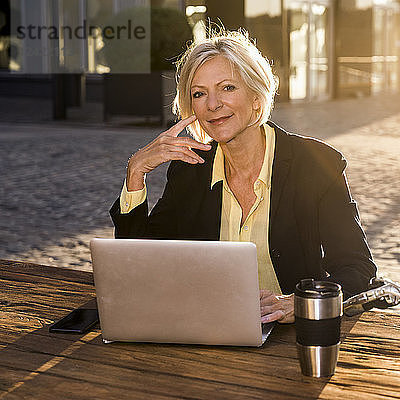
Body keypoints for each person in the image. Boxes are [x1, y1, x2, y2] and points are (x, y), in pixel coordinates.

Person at [110, 30, 376, 325]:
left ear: (256, 96)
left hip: (291, 339)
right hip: (208, 331)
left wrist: (298, 303)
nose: (212, 104)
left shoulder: (316, 164)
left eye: (227, 88)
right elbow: (141, 265)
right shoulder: (190, 168)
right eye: (199, 93)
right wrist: (135, 173)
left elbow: (357, 269)